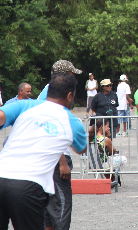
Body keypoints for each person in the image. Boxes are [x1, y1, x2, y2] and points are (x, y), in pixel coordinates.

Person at [0, 73, 87, 230]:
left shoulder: (24, 105)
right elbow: (81, 148)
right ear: (70, 95)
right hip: (29, 186)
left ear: (49, 90)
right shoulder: (72, 122)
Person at [35, 60, 83, 230]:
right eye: (71, 74)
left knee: (48, 208)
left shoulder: (47, 92)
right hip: (55, 157)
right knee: (61, 206)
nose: (74, 78)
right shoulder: (54, 94)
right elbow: (48, 131)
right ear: (63, 75)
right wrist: (62, 160)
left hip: (45, 157)